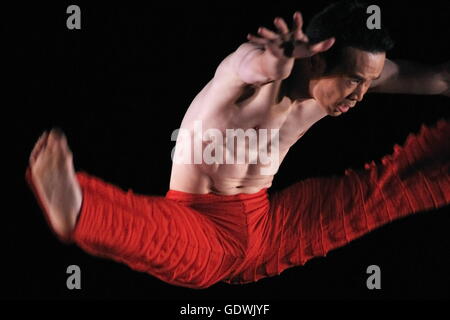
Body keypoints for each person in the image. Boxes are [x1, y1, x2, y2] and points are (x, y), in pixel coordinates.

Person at [26, 0, 449, 289]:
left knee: (379, 196)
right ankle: (80, 207)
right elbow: (253, 64)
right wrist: (278, 58)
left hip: (268, 223)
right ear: (317, 59)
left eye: (369, 83)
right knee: (167, 244)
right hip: (201, 223)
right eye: (355, 81)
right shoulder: (250, 74)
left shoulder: (351, 76)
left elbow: (440, 79)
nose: (360, 94)